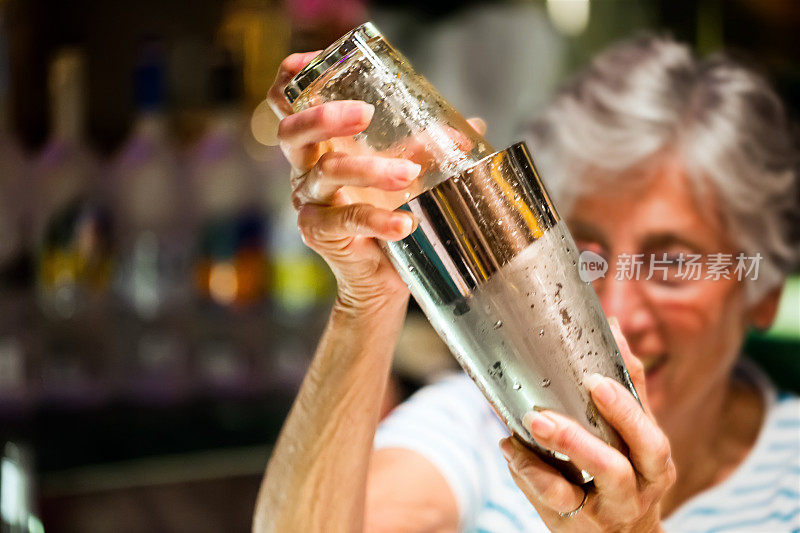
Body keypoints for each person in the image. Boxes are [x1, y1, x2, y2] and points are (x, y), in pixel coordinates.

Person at [253, 34, 800, 532]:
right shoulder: (476, 425)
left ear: (765, 290)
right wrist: (367, 301)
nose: (615, 310)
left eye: (672, 267)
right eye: (582, 256)